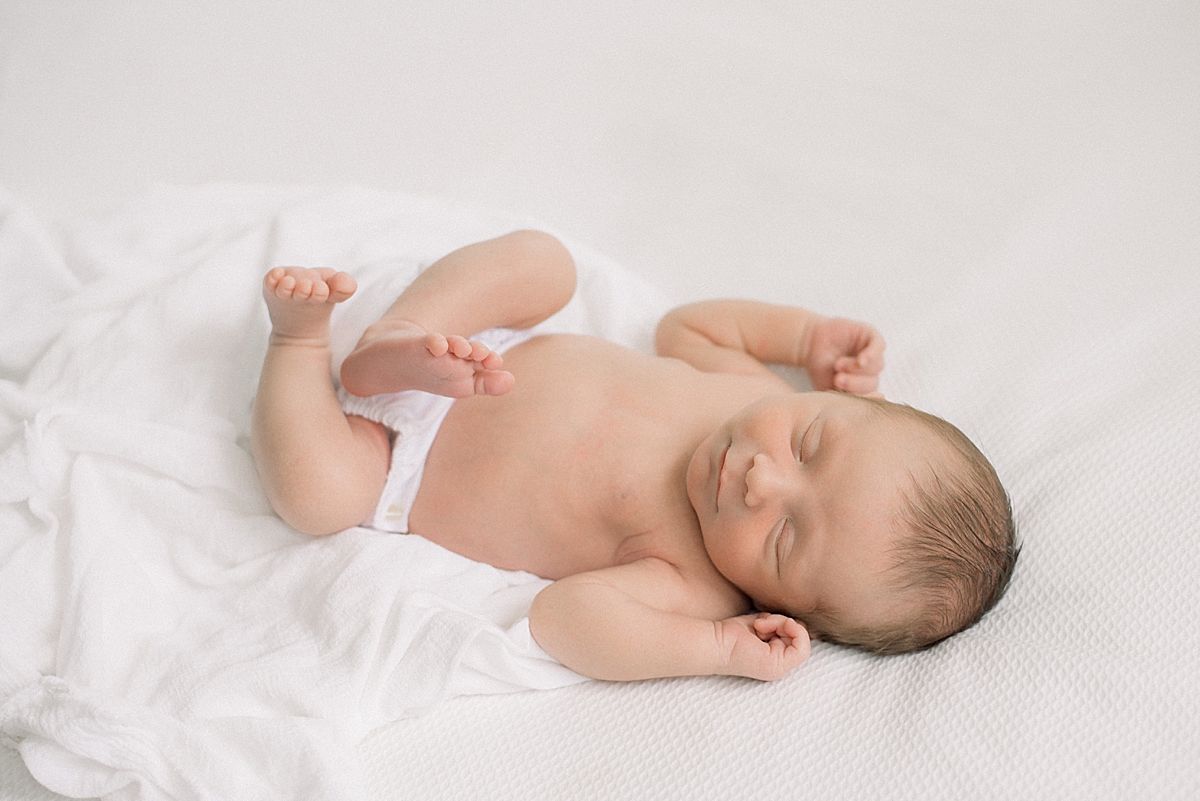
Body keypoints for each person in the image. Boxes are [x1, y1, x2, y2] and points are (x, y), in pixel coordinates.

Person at [251, 230, 1017, 682]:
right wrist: (803, 339)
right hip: (479, 346)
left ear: (778, 608)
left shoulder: (699, 584)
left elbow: (564, 618)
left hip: (393, 465)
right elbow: (692, 329)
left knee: (318, 498)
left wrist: (713, 648)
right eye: (811, 442)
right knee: (546, 262)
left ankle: (298, 342)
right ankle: (400, 333)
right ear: (845, 404)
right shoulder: (745, 396)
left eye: (785, 536)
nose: (762, 478)